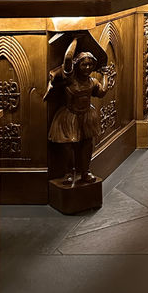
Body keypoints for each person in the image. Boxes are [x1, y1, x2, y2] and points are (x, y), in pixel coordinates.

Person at [44, 40, 108, 185]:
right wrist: (75, 39)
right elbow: (68, 58)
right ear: (77, 65)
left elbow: (102, 91)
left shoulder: (92, 81)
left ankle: (85, 171)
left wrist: (105, 74)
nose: (87, 68)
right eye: (84, 64)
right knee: (67, 145)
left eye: (90, 65)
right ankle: (69, 172)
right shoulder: (70, 79)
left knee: (87, 144)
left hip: (87, 115)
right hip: (69, 115)